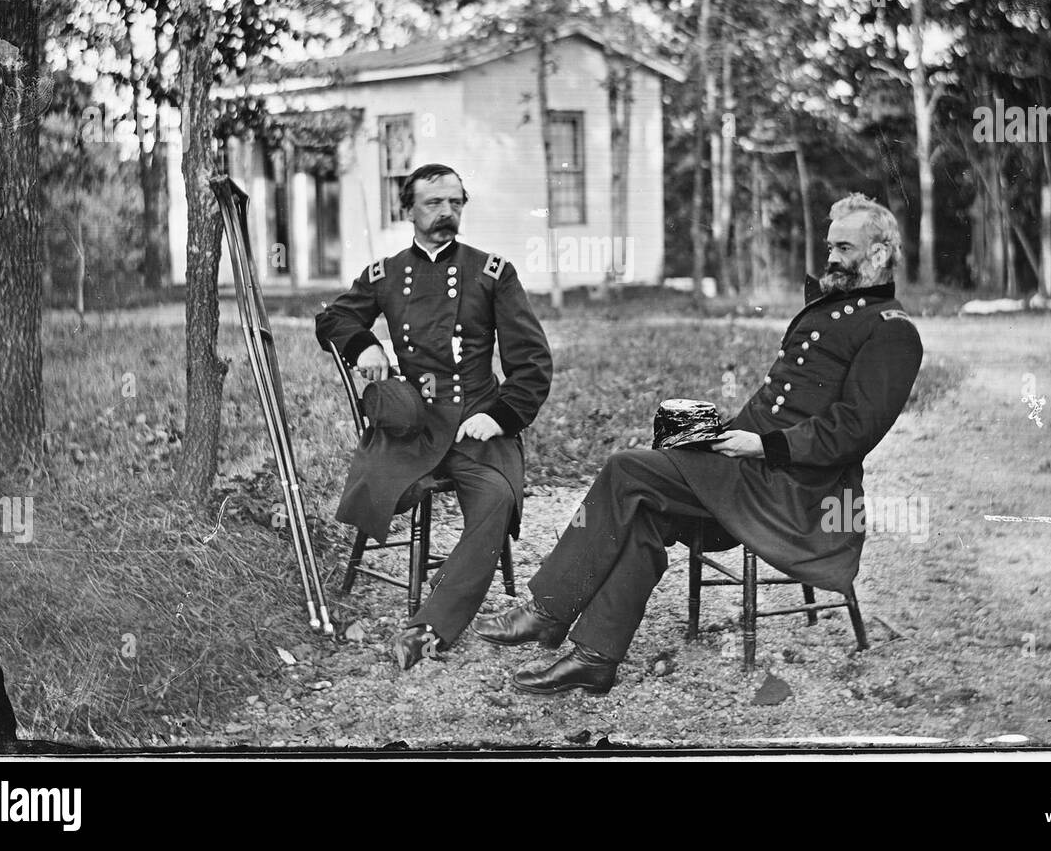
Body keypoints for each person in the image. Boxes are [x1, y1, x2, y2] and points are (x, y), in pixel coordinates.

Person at [473, 193, 923, 694]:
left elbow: (855, 430)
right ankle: (595, 657)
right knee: (643, 507)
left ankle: (548, 610)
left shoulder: (892, 332)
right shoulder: (833, 309)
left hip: (799, 490)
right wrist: (716, 437)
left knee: (627, 469)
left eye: (844, 247)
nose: (832, 257)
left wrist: (763, 446)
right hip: (751, 469)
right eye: (830, 246)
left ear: (880, 254)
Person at [316, 164, 552, 670]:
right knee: (383, 493)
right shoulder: (386, 273)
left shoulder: (492, 273)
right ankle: (454, 584)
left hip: (476, 427)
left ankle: (428, 629)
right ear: (409, 211)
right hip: (412, 430)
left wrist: (503, 417)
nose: (447, 213)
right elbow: (333, 317)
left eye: (456, 203)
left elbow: (531, 362)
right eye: (433, 203)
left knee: (493, 500)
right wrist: (363, 342)